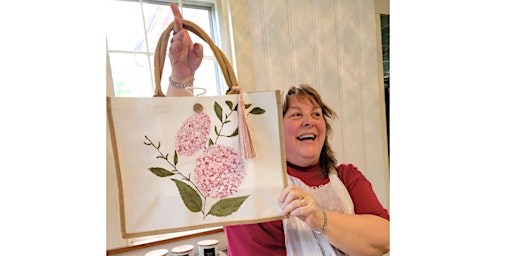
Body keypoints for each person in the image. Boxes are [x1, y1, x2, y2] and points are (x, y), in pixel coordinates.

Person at [167, 3, 390, 255]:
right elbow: (183, 150)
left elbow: (384, 239)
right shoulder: (247, 179)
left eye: (316, 114)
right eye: (296, 114)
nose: (310, 120)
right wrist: (181, 78)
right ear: (274, 128)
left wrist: (320, 219)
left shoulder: (348, 177)